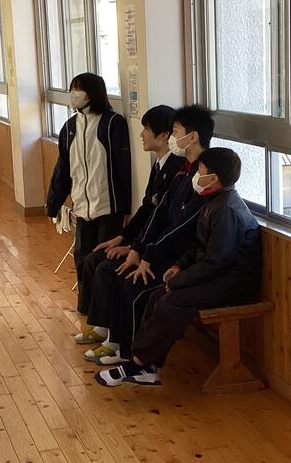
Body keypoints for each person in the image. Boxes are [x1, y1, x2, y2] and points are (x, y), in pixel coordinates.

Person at [95, 147, 262, 387]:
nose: (196, 176)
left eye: (200, 171)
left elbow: (216, 262)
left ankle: (138, 363)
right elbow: (199, 247)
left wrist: (178, 281)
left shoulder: (228, 210)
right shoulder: (214, 202)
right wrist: (178, 265)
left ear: (213, 178)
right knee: (156, 296)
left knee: (170, 301)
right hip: (217, 275)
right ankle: (147, 367)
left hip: (232, 282)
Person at [87, 105, 214, 365]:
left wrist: (148, 255)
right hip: (162, 251)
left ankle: (131, 355)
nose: (172, 137)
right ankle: (117, 342)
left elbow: (183, 228)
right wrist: (137, 247)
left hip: (182, 259)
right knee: (116, 271)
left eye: (176, 131)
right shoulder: (183, 171)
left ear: (193, 137)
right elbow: (158, 212)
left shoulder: (203, 176)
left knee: (130, 283)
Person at [76, 105, 184, 349]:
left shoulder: (176, 169)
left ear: (164, 135)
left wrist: (136, 249)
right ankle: (102, 327)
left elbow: (162, 221)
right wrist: (121, 238)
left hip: (157, 251)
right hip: (142, 243)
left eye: (146, 129)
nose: (141, 134)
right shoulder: (159, 165)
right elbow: (146, 209)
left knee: (108, 269)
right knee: (94, 259)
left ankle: (116, 340)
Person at [45, 73, 131, 339]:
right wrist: (53, 202)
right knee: (83, 261)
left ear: (93, 93)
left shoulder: (112, 123)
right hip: (82, 208)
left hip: (109, 208)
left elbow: (124, 168)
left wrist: (126, 209)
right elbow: (63, 168)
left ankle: (104, 322)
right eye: (72, 89)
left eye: (78, 89)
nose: (74, 94)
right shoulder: (69, 127)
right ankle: (88, 313)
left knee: (103, 263)